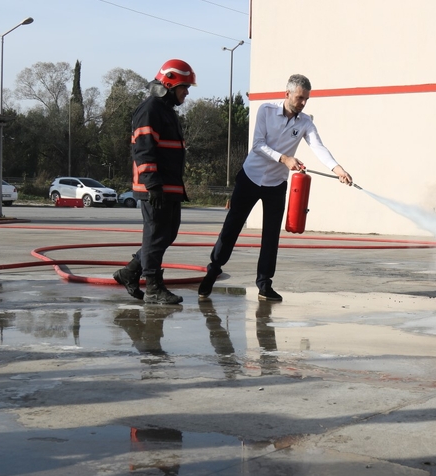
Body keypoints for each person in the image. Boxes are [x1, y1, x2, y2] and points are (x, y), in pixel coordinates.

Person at [198, 74, 353, 301]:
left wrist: (338, 169)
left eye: (306, 99)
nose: (303, 103)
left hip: (276, 184)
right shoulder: (266, 110)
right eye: (300, 98)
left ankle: (264, 284)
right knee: (232, 227)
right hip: (250, 178)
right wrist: (285, 158)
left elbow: (319, 147)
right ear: (287, 94)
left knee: (271, 236)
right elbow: (258, 145)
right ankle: (213, 272)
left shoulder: (305, 122)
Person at [113, 59, 195, 305]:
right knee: (156, 235)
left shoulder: (165, 110)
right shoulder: (150, 109)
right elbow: (143, 149)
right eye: (184, 87)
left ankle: (129, 272)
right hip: (156, 187)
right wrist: (153, 185)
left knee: (167, 234)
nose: (187, 92)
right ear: (169, 84)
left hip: (169, 186)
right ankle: (153, 287)